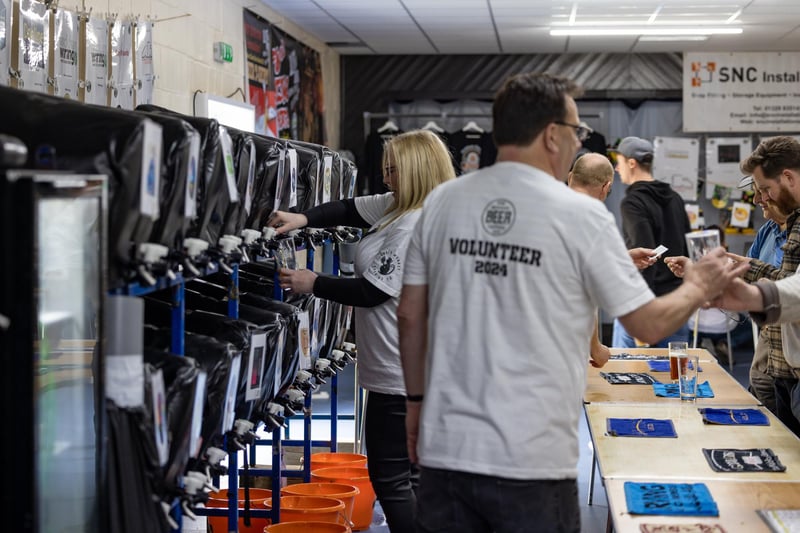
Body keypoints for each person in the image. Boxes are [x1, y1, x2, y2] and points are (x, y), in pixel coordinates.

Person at [397, 72, 747, 533]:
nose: (579, 143)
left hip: (446, 452)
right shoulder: (581, 215)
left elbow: (409, 316)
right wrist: (700, 285)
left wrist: (417, 405)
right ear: (551, 134)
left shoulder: (443, 201)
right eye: (578, 132)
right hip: (532, 462)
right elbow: (647, 325)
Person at [267, 129, 456, 532]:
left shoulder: (411, 226)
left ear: (417, 171)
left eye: (393, 171)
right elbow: (350, 209)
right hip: (417, 369)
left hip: (398, 375)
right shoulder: (401, 206)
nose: (386, 179)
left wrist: (311, 282)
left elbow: (371, 292)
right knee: (415, 478)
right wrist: (303, 218)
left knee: (391, 481)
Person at [704, 135, 800, 435]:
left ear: (788, 178)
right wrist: (739, 271)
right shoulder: (789, 224)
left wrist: (754, 294)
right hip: (783, 370)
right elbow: (787, 281)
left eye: (764, 190)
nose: (760, 199)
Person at [568, 152, 658, 365]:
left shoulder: (547, 209)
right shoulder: (594, 219)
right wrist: (596, 348)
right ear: (606, 187)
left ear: (571, 177)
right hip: (565, 348)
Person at [610, 136, 693, 348]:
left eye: (618, 162)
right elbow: (686, 250)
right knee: (674, 376)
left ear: (631, 163)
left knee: (626, 376)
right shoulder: (675, 198)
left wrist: (640, 315)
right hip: (676, 303)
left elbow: (644, 256)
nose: (616, 169)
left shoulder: (633, 203)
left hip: (645, 306)